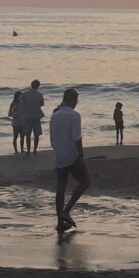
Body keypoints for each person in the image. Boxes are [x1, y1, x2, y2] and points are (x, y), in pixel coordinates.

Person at [49, 88, 90, 232]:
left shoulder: (54, 116)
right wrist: (81, 156)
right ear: (73, 100)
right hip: (72, 155)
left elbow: (52, 140)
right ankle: (66, 211)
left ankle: (60, 221)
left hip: (59, 154)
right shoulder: (74, 115)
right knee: (84, 182)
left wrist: (58, 149)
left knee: (61, 186)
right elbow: (77, 138)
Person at [20, 79, 45, 154]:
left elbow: (20, 100)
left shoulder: (25, 93)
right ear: (38, 86)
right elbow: (41, 104)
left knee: (28, 134)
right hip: (37, 115)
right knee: (36, 134)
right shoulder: (40, 94)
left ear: (31, 85)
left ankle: (28, 150)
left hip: (27, 115)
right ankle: (34, 150)